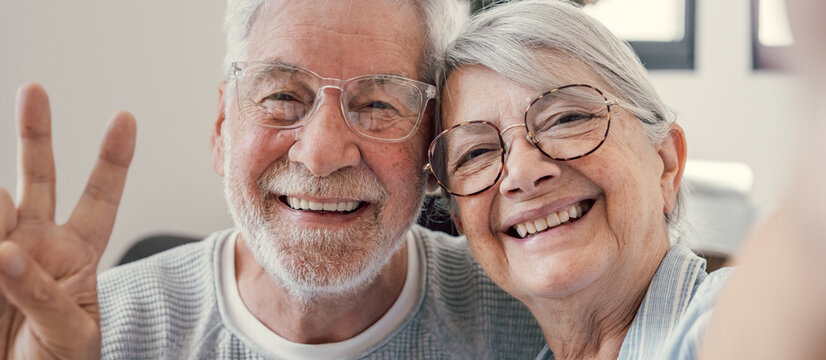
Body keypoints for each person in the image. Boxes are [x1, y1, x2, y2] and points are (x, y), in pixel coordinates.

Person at [0, 1, 545, 359]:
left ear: (433, 148)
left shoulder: (535, 323)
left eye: (378, 103)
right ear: (221, 127)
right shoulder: (90, 334)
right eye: (283, 96)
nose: (323, 154)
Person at [425, 0, 731, 358]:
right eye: (476, 153)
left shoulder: (742, 322)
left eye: (566, 119)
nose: (523, 174)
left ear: (665, 164)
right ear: (462, 222)